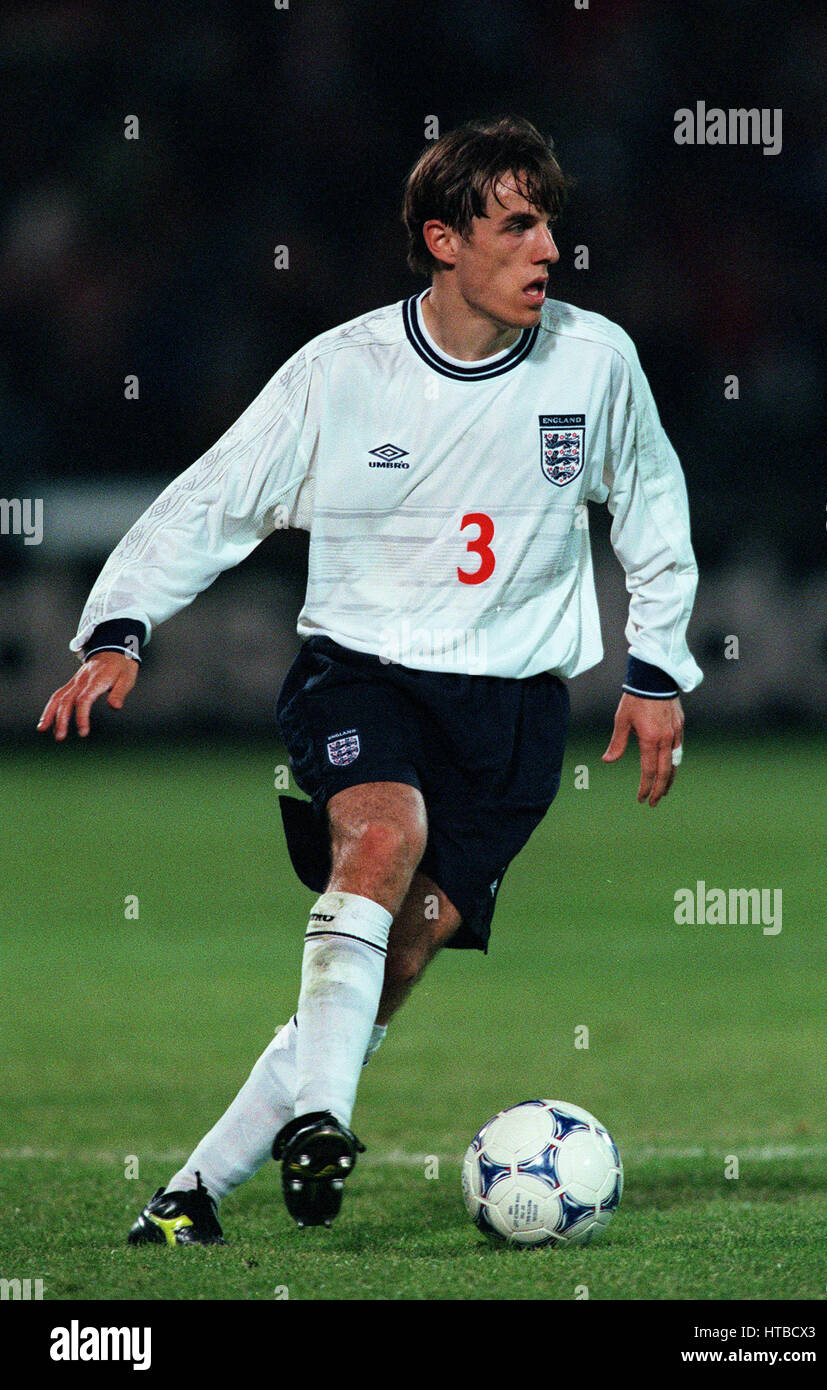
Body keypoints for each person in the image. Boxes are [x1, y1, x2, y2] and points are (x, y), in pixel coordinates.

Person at [38, 117, 702, 1245]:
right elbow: (214, 499)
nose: (549, 249)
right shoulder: (342, 375)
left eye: (550, 224)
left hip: (514, 719)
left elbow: (648, 502)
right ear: (443, 240)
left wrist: (655, 666)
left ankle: (190, 1194)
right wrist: (120, 623)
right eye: (517, 224)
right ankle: (322, 1122)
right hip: (364, 676)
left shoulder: (594, 361)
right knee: (378, 846)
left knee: (391, 960)